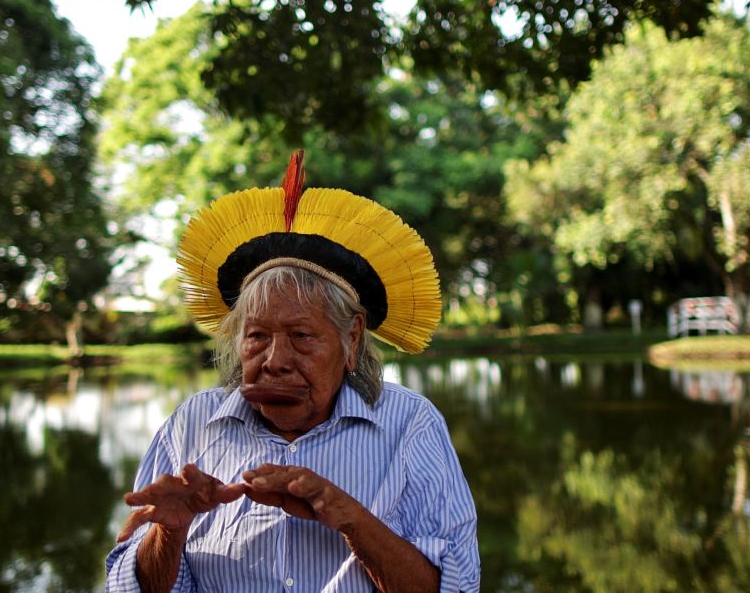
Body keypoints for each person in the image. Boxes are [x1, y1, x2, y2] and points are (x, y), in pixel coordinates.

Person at [105, 151, 480, 592]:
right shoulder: (190, 426)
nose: (274, 359)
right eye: (257, 336)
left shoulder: (409, 425)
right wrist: (168, 533)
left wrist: (349, 516)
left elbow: (454, 586)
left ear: (352, 338)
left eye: (301, 336)